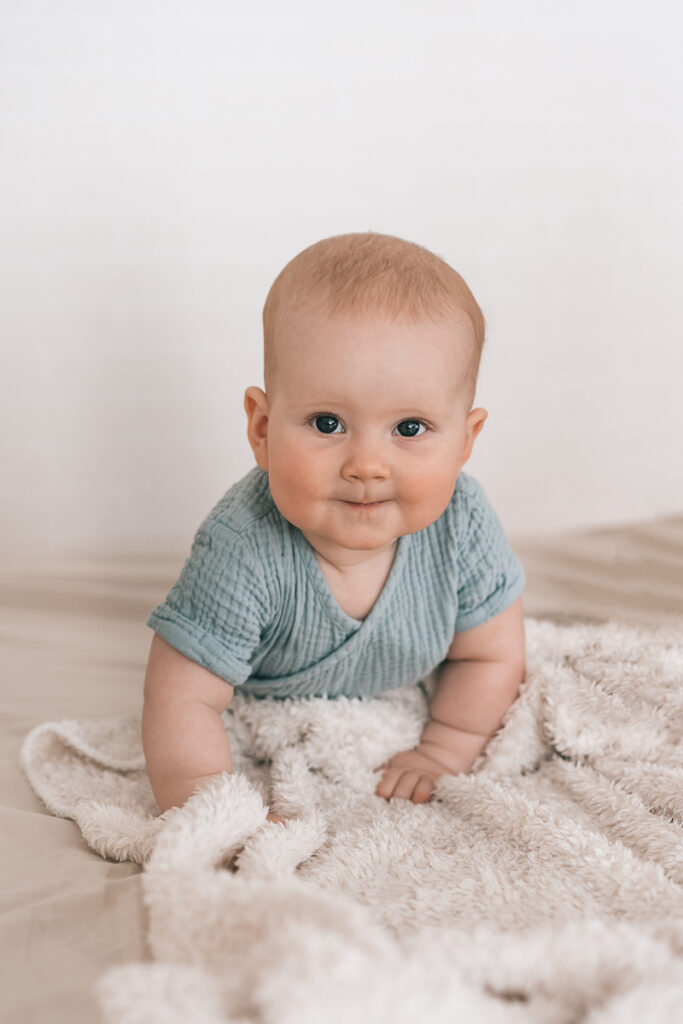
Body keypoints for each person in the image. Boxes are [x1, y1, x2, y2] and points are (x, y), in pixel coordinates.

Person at [141, 232, 527, 821]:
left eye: (410, 428)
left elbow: (491, 657)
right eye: (328, 422)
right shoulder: (243, 546)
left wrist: (443, 749)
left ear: (466, 440)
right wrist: (212, 808)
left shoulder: (462, 524)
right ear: (263, 429)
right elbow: (181, 697)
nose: (367, 466)